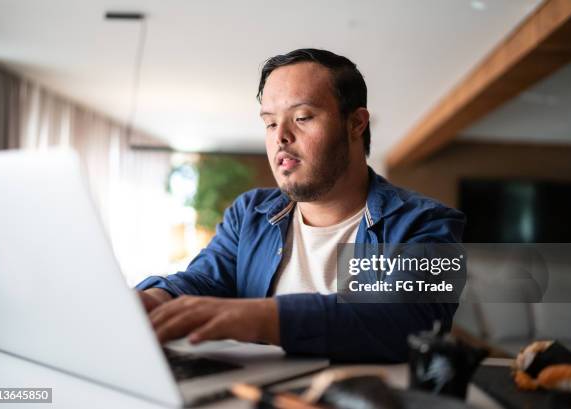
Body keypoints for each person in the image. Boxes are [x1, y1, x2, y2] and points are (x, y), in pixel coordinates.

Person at [136, 48, 465, 362]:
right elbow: (202, 281)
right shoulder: (250, 214)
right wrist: (154, 299)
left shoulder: (429, 223)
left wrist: (264, 318)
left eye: (302, 117)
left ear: (356, 124)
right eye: (269, 122)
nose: (280, 136)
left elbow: (408, 321)